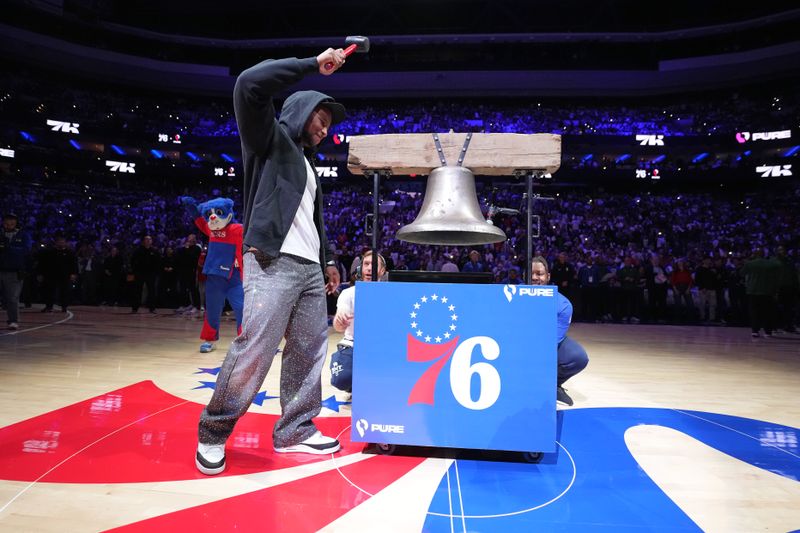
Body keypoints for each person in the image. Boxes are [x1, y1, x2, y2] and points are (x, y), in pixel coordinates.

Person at [196, 48, 346, 475]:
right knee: (256, 348)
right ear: (300, 110)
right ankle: (213, 432)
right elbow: (248, 83)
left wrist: (329, 259)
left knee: (307, 351)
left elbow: (312, 221)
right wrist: (312, 66)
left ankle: (295, 430)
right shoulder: (269, 139)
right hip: (272, 261)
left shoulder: (308, 165)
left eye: (328, 127)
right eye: (320, 119)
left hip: (310, 270)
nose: (323, 130)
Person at [531, 256, 589, 407]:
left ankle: (552, 385)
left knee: (578, 357)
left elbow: (552, 341)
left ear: (548, 276)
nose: (534, 278)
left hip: (544, 343)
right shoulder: (511, 295)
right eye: (531, 273)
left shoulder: (563, 304)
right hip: (517, 340)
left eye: (539, 274)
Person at [330, 250, 386, 395]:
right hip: (352, 344)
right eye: (366, 264)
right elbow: (338, 326)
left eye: (374, 265)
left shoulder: (390, 293)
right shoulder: (348, 293)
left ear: (382, 270)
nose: (369, 268)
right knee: (341, 380)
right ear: (360, 269)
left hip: (381, 347)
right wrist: (339, 322)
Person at [0, 213, 33, 330]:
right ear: (3, 223)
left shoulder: (24, 235)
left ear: (16, 223)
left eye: (12, 223)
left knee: (12, 298)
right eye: (7, 223)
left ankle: (13, 320)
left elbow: (26, 250)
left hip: (14, 272)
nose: (9, 225)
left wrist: (8, 248)